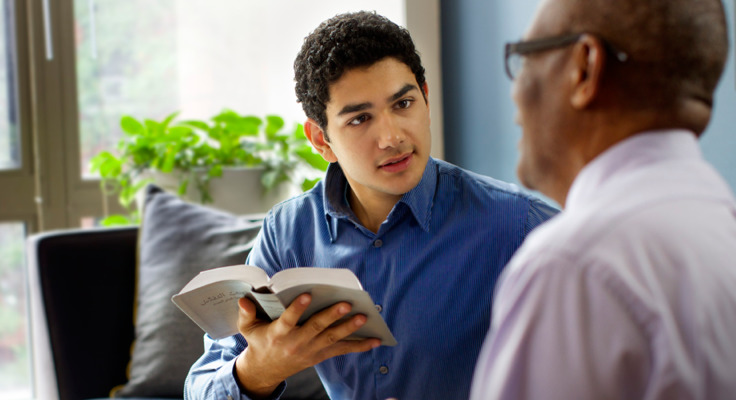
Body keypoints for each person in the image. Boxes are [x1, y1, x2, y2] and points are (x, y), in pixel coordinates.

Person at [184, 11, 557, 400]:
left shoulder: (520, 224)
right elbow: (201, 387)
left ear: (426, 100)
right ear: (321, 140)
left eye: (404, 103)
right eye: (360, 119)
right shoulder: (289, 231)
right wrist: (260, 370)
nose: (392, 137)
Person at [469, 0, 736, 399]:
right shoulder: (720, 224)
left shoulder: (572, 266)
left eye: (524, 59)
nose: (514, 94)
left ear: (584, 68)